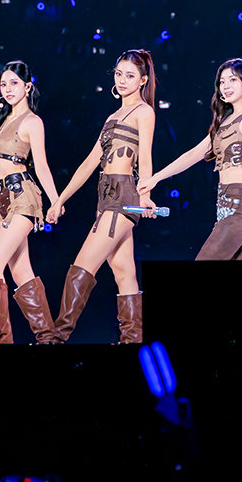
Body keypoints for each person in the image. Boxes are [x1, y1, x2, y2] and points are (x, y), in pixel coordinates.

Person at [45, 50, 157, 343]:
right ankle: (133, 340)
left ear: (143, 80)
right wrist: (60, 199)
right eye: (119, 74)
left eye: (130, 75)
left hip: (123, 197)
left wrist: (145, 194)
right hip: (104, 197)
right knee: (124, 273)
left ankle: (57, 337)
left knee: (83, 264)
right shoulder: (113, 116)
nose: (122, 80)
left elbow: (145, 160)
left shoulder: (144, 112)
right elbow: (89, 163)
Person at [138, 59, 242, 259]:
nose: (225, 86)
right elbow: (192, 155)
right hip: (224, 205)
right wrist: (155, 178)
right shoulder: (222, 123)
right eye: (222, 82)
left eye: (232, 80)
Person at [0, 61, 62, 343]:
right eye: (3, 84)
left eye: (14, 83)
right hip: (1, 199)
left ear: (27, 86)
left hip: (23, 198)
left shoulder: (33, 122)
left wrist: (55, 201)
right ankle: (48, 339)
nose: (8, 89)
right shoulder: (3, 120)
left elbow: (41, 166)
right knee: (21, 271)